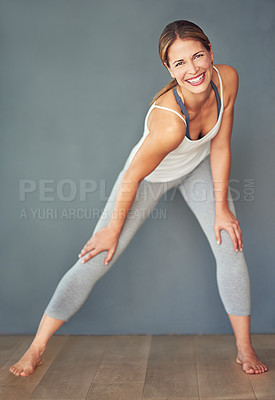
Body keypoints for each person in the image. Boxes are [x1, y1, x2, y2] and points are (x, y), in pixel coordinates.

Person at [10, 20, 267, 377]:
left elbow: (220, 144)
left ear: (211, 53)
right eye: (180, 63)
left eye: (198, 56)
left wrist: (221, 208)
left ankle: (244, 349)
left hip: (197, 169)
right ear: (168, 68)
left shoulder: (227, 79)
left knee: (231, 245)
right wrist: (112, 230)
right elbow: (132, 175)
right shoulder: (169, 123)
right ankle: (36, 349)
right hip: (147, 180)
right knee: (97, 257)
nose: (193, 69)